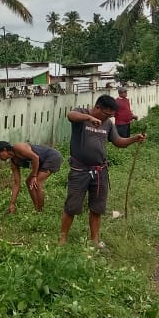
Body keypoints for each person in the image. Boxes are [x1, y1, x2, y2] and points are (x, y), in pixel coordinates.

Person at [60, 95, 146, 247]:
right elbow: (70, 115)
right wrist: (89, 118)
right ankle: (63, 239)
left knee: (97, 207)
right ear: (97, 107)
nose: (108, 117)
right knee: (72, 206)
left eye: (111, 115)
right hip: (80, 170)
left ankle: (94, 240)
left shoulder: (108, 124)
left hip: (100, 171)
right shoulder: (82, 114)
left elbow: (118, 142)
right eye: (106, 114)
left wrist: (134, 139)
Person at [0, 140, 63, 213]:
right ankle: (37, 208)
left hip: (52, 157)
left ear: (4, 150)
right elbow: (16, 184)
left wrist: (34, 175)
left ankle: (40, 211)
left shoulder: (18, 147)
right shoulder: (14, 163)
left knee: (37, 181)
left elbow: (35, 158)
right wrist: (12, 204)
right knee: (29, 182)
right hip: (42, 162)